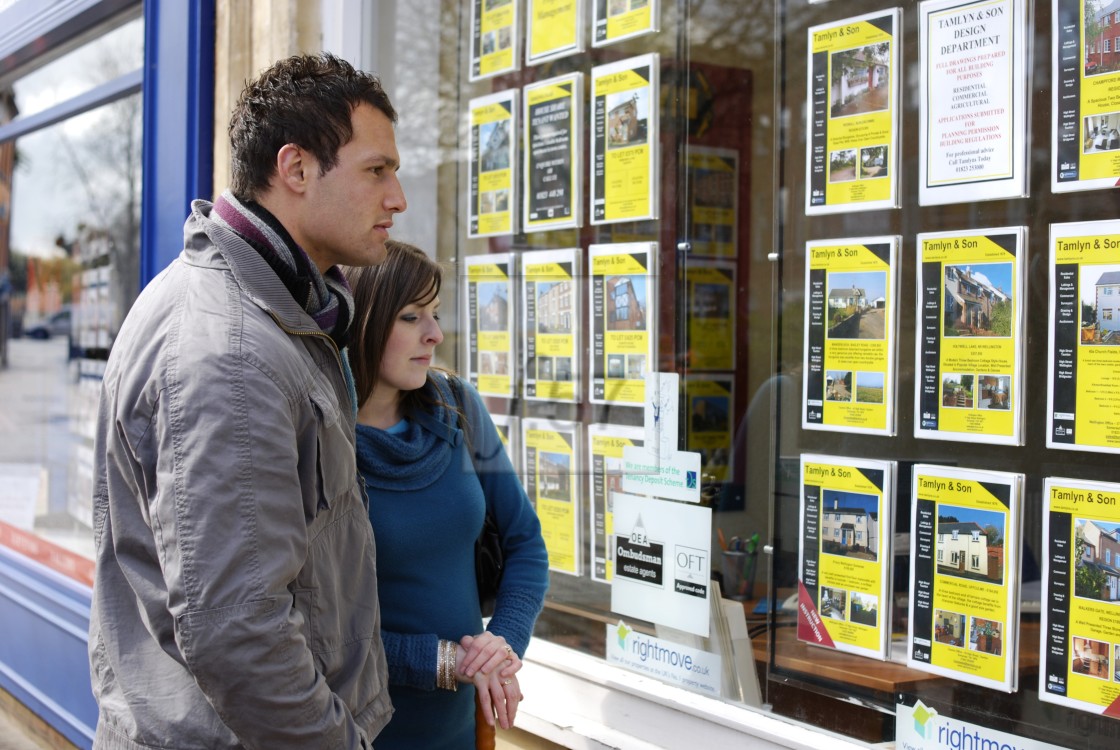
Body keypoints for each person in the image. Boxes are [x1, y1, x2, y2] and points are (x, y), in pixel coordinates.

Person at [88, 53, 406, 749]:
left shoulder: (284, 316)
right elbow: (235, 631)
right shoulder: (229, 352)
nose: (397, 198)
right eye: (377, 171)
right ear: (295, 170)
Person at [346, 241, 549, 749]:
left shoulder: (456, 407)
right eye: (412, 316)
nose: (434, 334)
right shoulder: (322, 438)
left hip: (460, 730)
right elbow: (311, 626)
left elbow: (525, 543)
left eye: (435, 314)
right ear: (363, 321)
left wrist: (501, 645)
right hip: (360, 732)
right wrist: (442, 661)